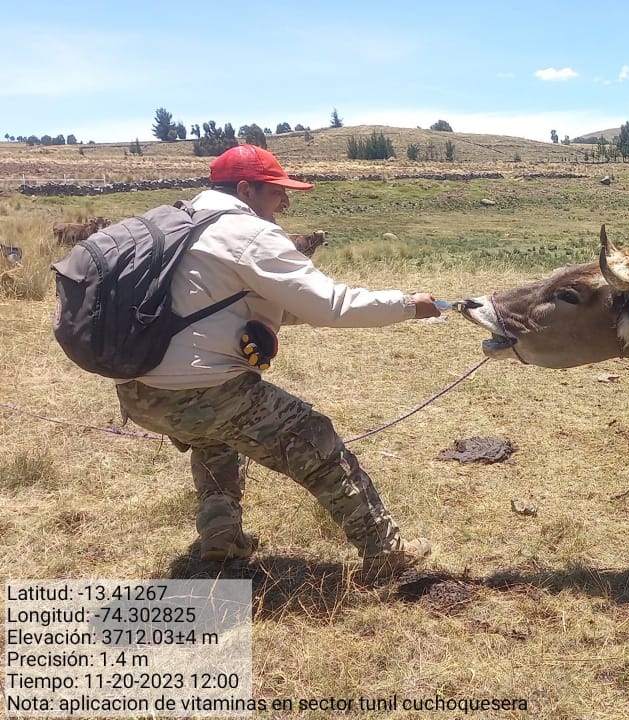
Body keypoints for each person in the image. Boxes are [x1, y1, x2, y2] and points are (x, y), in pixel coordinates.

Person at [116, 144, 441, 584]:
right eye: (276, 192)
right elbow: (331, 305)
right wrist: (407, 305)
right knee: (316, 441)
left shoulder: (172, 224)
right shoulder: (247, 233)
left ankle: (220, 536)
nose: (286, 202)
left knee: (214, 439)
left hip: (139, 392)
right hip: (206, 392)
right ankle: (387, 552)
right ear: (246, 189)